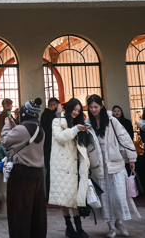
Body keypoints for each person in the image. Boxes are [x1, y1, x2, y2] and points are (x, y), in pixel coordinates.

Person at [86, 95, 139, 238]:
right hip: (98, 163)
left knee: (119, 195)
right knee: (104, 197)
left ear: (101, 106)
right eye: (91, 107)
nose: (93, 109)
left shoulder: (111, 120)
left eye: (96, 107)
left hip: (115, 161)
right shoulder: (87, 123)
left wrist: (132, 158)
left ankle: (119, 223)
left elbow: (125, 138)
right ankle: (111, 227)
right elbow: (86, 143)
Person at [49, 97, 98, 238]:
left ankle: (78, 228)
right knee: (64, 196)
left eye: (78, 110)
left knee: (75, 197)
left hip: (76, 165)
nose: (76, 112)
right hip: (62, 165)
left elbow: (83, 147)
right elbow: (60, 138)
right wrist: (76, 129)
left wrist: (86, 164)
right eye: (74, 109)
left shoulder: (80, 124)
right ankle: (69, 227)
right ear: (68, 108)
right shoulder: (57, 121)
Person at [1, 98, 47, 238]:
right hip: (38, 175)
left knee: (19, 213)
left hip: (21, 175)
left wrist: (7, 126)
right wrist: (16, 127)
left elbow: (4, 141)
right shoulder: (41, 130)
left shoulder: (21, 130)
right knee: (36, 212)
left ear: (24, 114)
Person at [41, 97, 60, 195]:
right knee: (51, 170)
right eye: (57, 106)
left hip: (46, 145)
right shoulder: (50, 116)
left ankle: (49, 193)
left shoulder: (44, 115)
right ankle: (50, 193)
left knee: (49, 170)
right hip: (50, 145)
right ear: (52, 105)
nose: (58, 108)